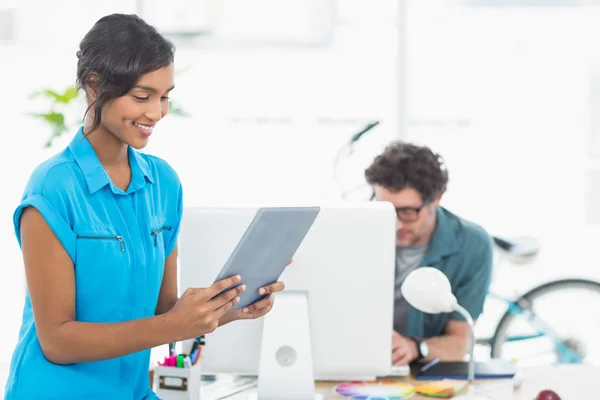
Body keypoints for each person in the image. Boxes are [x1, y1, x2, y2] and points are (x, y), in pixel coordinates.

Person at [5, 14, 286, 400]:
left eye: (165, 96)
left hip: (133, 391)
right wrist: (175, 324)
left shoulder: (164, 184)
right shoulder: (53, 187)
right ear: (93, 86)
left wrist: (231, 307)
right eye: (142, 96)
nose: (156, 113)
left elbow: (163, 309)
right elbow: (58, 341)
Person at [364, 141, 493, 366]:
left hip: (422, 370)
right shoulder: (356, 232)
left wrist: (415, 347)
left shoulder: (472, 245)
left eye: (407, 212)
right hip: (358, 363)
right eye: (385, 209)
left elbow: (460, 341)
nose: (395, 224)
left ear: (436, 198)